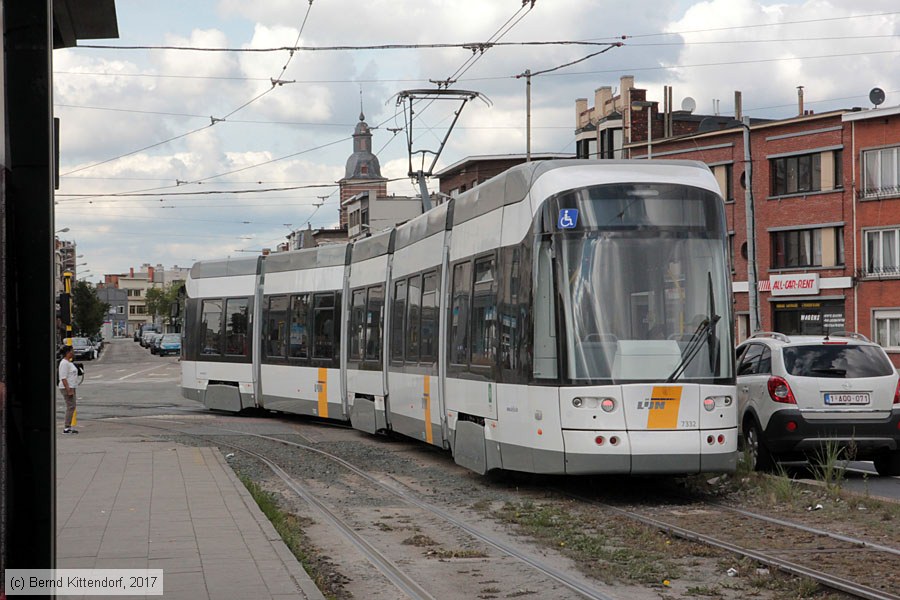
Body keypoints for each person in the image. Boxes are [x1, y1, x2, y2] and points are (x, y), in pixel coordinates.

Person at [58, 345, 79, 434]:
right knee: (70, 406)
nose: (73, 353)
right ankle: (67, 427)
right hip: (67, 387)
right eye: (71, 351)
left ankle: (69, 426)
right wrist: (68, 390)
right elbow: (63, 378)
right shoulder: (64, 363)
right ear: (67, 352)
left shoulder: (69, 362)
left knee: (72, 406)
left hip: (72, 387)